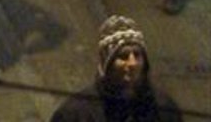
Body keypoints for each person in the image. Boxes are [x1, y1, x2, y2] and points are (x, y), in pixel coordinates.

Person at [49, 19, 186, 122]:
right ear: (107, 65)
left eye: (137, 55)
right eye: (123, 56)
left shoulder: (162, 108)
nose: (132, 63)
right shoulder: (77, 113)